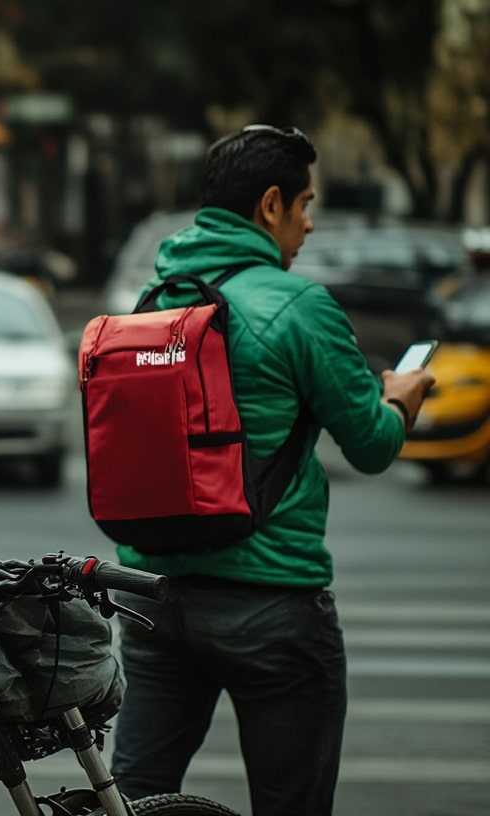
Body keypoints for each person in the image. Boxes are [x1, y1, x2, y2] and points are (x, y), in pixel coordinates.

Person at [108, 124, 436, 816]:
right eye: (304, 205)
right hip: (272, 603)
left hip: (154, 595)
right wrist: (399, 401)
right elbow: (372, 446)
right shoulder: (298, 306)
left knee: (132, 801)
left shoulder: (152, 299)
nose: (310, 225)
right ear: (268, 207)